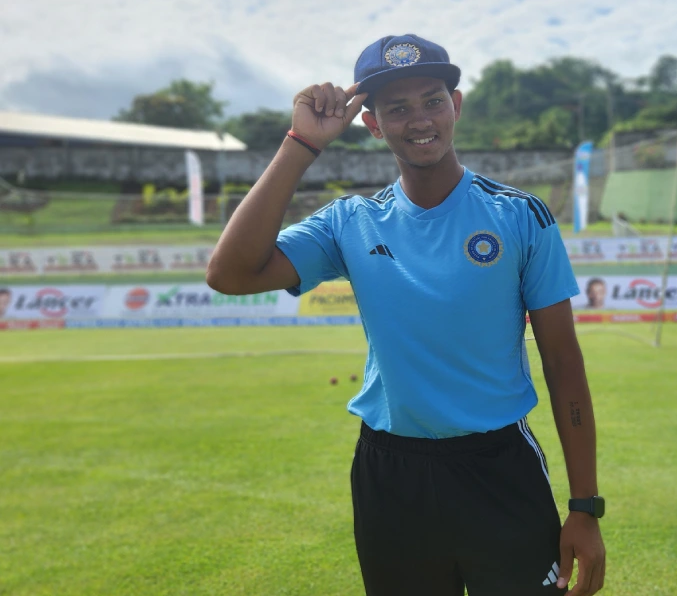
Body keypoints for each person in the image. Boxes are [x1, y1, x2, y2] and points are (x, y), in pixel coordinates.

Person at [207, 34, 605, 596]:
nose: (419, 119)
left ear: (456, 106)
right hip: (390, 475)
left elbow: (564, 362)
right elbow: (230, 273)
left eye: (432, 100)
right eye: (397, 107)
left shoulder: (519, 215)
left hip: (499, 468)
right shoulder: (350, 222)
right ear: (372, 124)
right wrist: (301, 143)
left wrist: (585, 507)